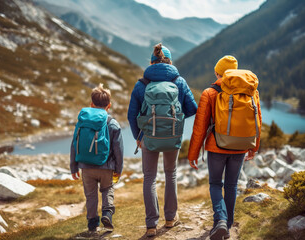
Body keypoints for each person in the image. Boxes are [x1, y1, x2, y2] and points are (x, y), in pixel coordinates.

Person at [187, 56, 262, 240]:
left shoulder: (210, 92)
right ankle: (227, 226)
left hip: (216, 146)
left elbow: (200, 127)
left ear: (217, 72)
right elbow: (257, 120)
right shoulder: (251, 91)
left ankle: (220, 220)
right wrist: (254, 146)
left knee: (215, 184)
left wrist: (193, 153)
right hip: (241, 146)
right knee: (231, 185)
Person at [128, 43, 197, 237]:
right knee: (170, 174)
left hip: (148, 137)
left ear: (151, 62)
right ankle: (170, 219)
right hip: (172, 137)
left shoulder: (141, 84)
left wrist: (138, 137)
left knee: (149, 178)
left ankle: (151, 225)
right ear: (170, 62)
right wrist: (175, 121)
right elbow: (192, 109)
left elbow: (131, 115)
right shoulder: (179, 81)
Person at [70, 83, 124, 232]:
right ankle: (107, 213)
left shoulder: (82, 122)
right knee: (107, 189)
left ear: (91, 104)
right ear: (109, 105)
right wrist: (118, 169)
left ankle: (92, 224)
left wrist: (73, 166)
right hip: (106, 166)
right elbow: (118, 149)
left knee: (91, 195)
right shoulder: (112, 123)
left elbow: (74, 143)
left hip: (86, 167)